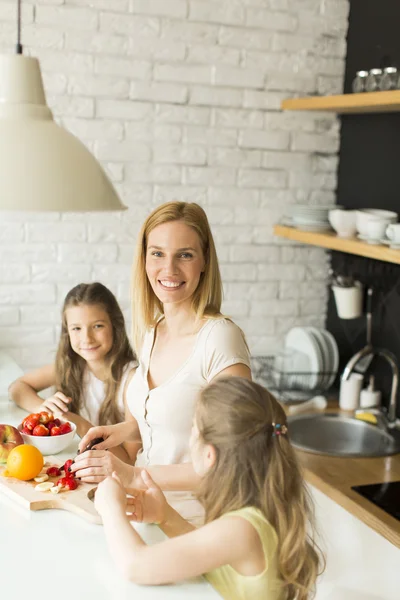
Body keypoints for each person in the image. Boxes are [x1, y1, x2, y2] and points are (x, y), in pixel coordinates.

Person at [72, 202, 252, 522]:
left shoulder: (221, 340)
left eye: (184, 254)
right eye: (157, 254)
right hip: (146, 507)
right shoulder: (153, 332)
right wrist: (123, 429)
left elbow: (229, 463)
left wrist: (130, 474)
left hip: (197, 520)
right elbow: (170, 422)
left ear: (204, 263)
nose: (168, 270)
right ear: (143, 261)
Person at [94, 377, 324, 600]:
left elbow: (136, 566)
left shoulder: (241, 529)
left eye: (193, 427)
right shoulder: (255, 512)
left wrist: (110, 507)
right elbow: (212, 558)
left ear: (209, 454)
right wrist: (166, 516)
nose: (190, 435)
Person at [9, 282, 137, 442]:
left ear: (115, 326)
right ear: (67, 332)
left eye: (97, 326)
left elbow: (129, 458)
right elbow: (17, 388)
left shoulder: (131, 379)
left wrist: (77, 423)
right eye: (77, 328)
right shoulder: (71, 365)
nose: (87, 339)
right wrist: (44, 409)